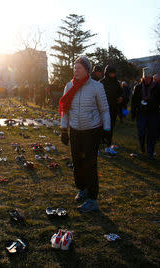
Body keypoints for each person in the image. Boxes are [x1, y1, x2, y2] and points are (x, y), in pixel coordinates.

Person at [59, 55, 111, 213]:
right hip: (75, 130)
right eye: (75, 67)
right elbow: (65, 110)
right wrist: (63, 129)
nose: (76, 70)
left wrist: (106, 130)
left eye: (79, 68)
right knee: (77, 163)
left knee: (90, 163)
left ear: (87, 70)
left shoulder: (96, 87)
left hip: (92, 131)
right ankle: (82, 189)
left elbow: (104, 109)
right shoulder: (69, 86)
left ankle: (93, 199)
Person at [131, 67, 160, 159]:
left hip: (153, 113)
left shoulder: (156, 87)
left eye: (149, 77)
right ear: (143, 78)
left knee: (152, 133)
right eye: (145, 77)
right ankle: (142, 147)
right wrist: (133, 113)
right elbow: (134, 101)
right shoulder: (138, 87)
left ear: (151, 78)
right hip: (141, 113)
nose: (147, 79)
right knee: (141, 132)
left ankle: (150, 151)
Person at [100, 65, 123, 154]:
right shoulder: (101, 83)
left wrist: (121, 97)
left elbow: (120, 92)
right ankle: (98, 146)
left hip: (113, 108)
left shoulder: (116, 83)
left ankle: (108, 146)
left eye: (114, 73)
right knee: (101, 127)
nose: (113, 75)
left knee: (110, 127)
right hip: (103, 109)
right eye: (111, 73)